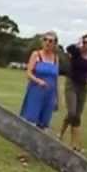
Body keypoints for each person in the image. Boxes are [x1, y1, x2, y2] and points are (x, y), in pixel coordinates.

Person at [17, 32, 60, 163]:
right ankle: (24, 151)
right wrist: (38, 81)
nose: (48, 43)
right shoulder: (36, 55)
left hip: (49, 93)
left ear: (55, 44)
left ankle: (37, 150)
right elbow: (28, 73)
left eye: (51, 41)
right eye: (46, 40)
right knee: (31, 120)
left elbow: (56, 79)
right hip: (36, 91)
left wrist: (57, 98)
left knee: (43, 124)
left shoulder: (56, 58)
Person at [58, 34, 87, 152]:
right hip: (72, 84)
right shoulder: (76, 52)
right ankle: (66, 137)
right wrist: (77, 44)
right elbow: (68, 48)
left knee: (77, 115)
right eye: (84, 42)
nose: (86, 45)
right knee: (72, 112)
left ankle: (68, 138)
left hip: (83, 87)